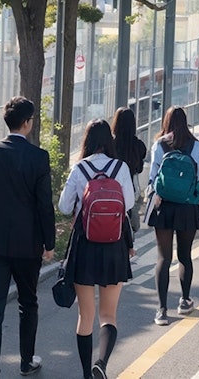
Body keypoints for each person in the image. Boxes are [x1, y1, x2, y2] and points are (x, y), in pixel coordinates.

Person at [0, 97, 55, 379]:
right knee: (28, 302)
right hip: (28, 243)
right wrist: (49, 243)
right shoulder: (38, 157)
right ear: (27, 123)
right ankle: (26, 362)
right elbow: (44, 205)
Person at [58, 119, 136, 379]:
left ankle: (85, 374)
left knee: (85, 314)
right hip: (114, 245)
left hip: (84, 246)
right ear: (109, 141)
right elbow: (128, 204)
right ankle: (100, 363)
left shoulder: (79, 168)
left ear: (87, 140)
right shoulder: (121, 167)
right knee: (108, 314)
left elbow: (64, 207)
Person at [147, 106, 199, 326]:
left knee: (163, 257)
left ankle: (162, 310)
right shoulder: (196, 146)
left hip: (164, 206)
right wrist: (196, 198)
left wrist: (154, 197)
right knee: (185, 255)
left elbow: (153, 176)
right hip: (187, 206)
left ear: (167, 122)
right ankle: (185, 301)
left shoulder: (159, 144)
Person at [110, 107, 147, 233]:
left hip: (112, 190)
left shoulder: (110, 145)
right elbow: (140, 169)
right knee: (130, 227)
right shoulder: (139, 145)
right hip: (130, 190)